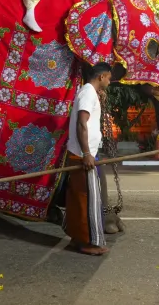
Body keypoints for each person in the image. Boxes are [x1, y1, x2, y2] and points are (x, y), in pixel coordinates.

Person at [63, 62, 111, 256]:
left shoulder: (89, 93)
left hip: (81, 153)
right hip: (83, 154)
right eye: (108, 77)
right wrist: (87, 154)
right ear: (101, 77)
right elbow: (82, 124)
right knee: (88, 199)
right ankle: (88, 242)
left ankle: (76, 238)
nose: (109, 81)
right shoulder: (88, 93)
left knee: (77, 198)